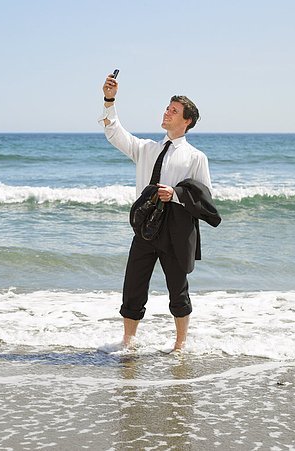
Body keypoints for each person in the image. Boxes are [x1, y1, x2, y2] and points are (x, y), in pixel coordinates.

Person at [98, 73, 214, 353]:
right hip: (145, 227)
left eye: (173, 111)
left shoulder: (196, 157)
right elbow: (114, 132)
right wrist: (109, 99)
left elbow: (205, 199)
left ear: (187, 121)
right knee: (134, 284)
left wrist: (175, 194)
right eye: (167, 108)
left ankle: (180, 345)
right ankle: (128, 342)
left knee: (178, 288)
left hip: (176, 230)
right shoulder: (147, 149)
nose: (166, 113)